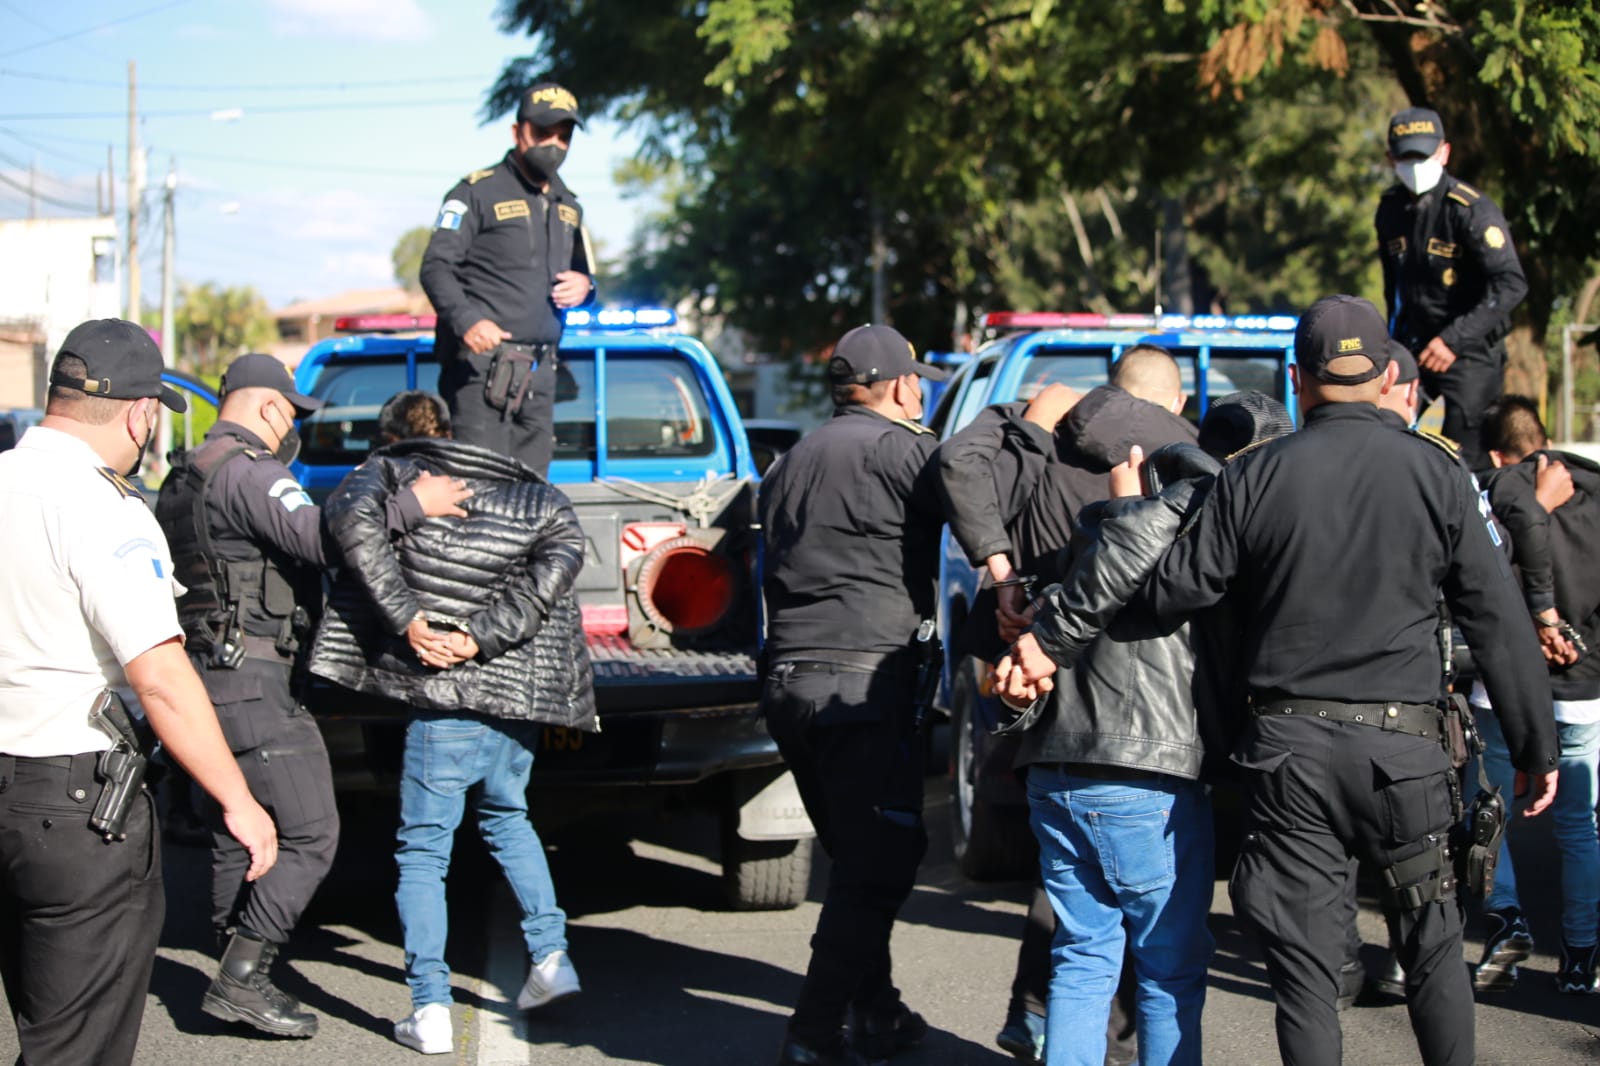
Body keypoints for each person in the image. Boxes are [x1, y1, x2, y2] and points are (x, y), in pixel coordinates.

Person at [1004, 295, 1558, 1066]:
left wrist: (1115, 538)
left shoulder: (1257, 475)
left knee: (1302, 971)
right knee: (1432, 946)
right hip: (1406, 751)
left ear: (1298, 378)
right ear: (1387, 377)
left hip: (1289, 751)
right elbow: (1498, 620)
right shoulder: (1438, 475)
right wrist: (1536, 745)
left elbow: (1173, 593)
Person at [154, 353, 470, 1038]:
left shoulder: (184, 476)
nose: (291, 428)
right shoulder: (251, 473)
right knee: (311, 831)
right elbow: (324, 538)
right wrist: (419, 503)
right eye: (292, 414)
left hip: (205, 681)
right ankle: (243, 979)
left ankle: (232, 960)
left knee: (235, 833)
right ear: (269, 408)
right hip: (255, 687)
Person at [0, 319, 278, 1066]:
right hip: (70, 802)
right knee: (74, 1044)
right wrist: (240, 802)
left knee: (40, 1023)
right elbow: (159, 675)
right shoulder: (103, 509)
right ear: (139, 414)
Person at [996, 392, 1294, 1066]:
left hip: (1058, 765)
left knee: (1082, 959)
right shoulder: (1195, 514)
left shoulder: (1109, 527)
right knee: (1169, 969)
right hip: (1144, 773)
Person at [306, 390, 596, 1055]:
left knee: (423, 850)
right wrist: (485, 638)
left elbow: (350, 528)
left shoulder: (389, 475)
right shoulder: (542, 497)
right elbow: (557, 569)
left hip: (443, 701)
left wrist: (409, 618)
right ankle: (552, 960)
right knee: (509, 820)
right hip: (516, 699)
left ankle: (431, 1007)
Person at [936, 346, 1196, 1064]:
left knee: (1080, 928)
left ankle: (1033, 1012)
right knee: (1161, 947)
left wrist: (1017, 416)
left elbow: (959, 459)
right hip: (1156, 731)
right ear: (1173, 406)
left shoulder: (1045, 451)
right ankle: (1088, 1035)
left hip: (1052, 715)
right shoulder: (1187, 475)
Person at [760, 324, 947, 1066]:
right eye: (919, 382)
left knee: (855, 856)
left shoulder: (794, 457)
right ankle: (812, 1033)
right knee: (879, 864)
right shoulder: (908, 450)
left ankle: (878, 1011)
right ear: (900, 386)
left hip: (789, 685)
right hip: (862, 683)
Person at [1468, 396, 1600, 994]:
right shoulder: (1594, 492)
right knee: (1579, 823)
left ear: (1498, 453)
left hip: (1501, 677)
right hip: (1581, 679)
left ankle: (1506, 919)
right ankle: (1581, 953)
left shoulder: (1492, 492)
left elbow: (1473, 571)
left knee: (1490, 805)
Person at [419, 81, 597, 475]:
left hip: (541, 372)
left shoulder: (569, 205)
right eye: (543, 132)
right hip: (482, 371)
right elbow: (435, 266)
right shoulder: (476, 192)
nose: (554, 144)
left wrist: (586, 289)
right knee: (482, 494)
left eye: (563, 136)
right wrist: (468, 322)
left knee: (531, 498)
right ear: (517, 132)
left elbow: (586, 275)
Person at [1376, 106, 1527, 472]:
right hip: (1414, 348)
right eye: (1406, 157)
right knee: (1388, 443)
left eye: (1423, 156)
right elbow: (1393, 289)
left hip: (1469, 355)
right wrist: (1391, 348)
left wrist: (1453, 340)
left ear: (1444, 153)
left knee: (1467, 458)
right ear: (1391, 158)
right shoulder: (1390, 210)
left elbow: (1511, 284)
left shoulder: (1470, 210)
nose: (1414, 165)